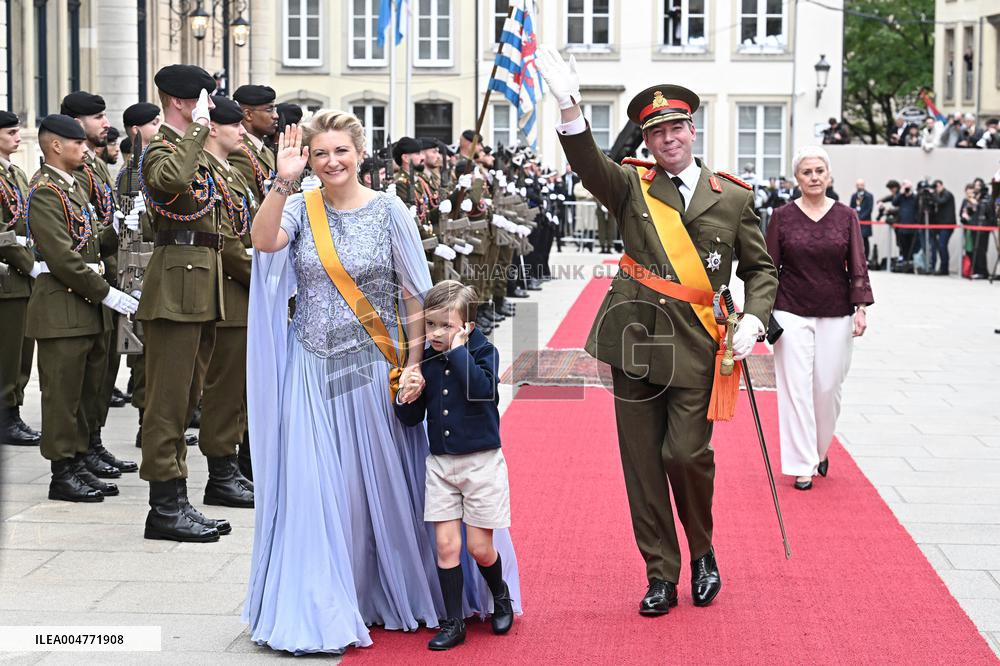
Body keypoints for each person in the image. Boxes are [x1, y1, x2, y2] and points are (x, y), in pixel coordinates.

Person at [243, 110, 520, 654]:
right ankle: (323, 601)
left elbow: (416, 296)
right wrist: (282, 180)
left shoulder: (390, 209)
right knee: (315, 486)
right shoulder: (299, 205)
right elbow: (264, 241)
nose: (331, 162)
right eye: (320, 153)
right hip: (310, 366)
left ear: (360, 152)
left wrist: (414, 365)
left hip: (373, 366)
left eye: (340, 151)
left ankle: (386, 590)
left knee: (373, 488)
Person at [536, 46, 778, 615]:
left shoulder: (732, 196)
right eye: (656, 132)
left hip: (698, 342)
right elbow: (588, 165)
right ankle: (661, 572)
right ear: (646, 141)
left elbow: (761, 269)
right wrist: (569, 108)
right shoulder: (630, 185)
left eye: (675, 128)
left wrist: (755, 317)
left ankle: (702, 551)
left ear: (692, 130)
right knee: (643, 464)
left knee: (686, 455)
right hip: (637, 339)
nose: (667, 139)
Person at [393, 280, 516, 651]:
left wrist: (459, 351)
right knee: (446, 546)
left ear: (467, 327)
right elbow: (412, 418)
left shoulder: (483, 351)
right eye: (430, 324)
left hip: (481, 464)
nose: (435, 333)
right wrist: (405, 395)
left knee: (479, 548)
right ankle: (453, 622)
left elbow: (483, 391)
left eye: (445, 326)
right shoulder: (427, 360)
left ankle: (500, 594)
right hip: (441, 466)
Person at [137, 64, 230, 543]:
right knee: (167, 403)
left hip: (200, 285)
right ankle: (164, 508)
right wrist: (198, 129)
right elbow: (172, 181)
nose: (210, 109)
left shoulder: (193, 151)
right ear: (180, 101)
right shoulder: (160, 149)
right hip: (175, 288)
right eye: (205, 100)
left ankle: (178, 500)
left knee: (188, 397)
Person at [25, 115, 139, 501]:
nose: (85, 149)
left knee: (87, 391)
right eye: (78, 143)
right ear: (56, 145)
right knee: (63, 396)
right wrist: (106, 293)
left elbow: (87, 244)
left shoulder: (72, 188)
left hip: (85, 305)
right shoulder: (45, 191)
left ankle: (77, 460)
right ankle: (62, 472)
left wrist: (116, 229)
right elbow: (62, 258)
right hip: (62, 307)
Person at [765, 146, 873, 490]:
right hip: (789, 308)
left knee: (828, 387)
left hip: (836, 310)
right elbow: (768, 266)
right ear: (797, 178)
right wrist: (760, 310)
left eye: (819, 171)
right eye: (806, 172)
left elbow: (858, 263)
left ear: (829, 176)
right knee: (795, 389)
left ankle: (819, 449)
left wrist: (861, 307)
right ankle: (801, 464)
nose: (813, 177)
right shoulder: (782, 216)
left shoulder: (846, 216)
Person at [61, 91, 137, 476]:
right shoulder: (72, 169)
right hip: (91, 276)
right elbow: (80, 230)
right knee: (86, 378)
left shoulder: (93, 163)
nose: (106, 124)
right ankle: (81, 448)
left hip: (107, 268)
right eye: (98, 117)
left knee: (104, 371)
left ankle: (93, 440)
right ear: (77, 123)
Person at [195, 96, 256, 509]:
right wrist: (265, 279)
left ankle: (232, 469)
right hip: (227, 293)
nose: (243, 132)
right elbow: (226, 243)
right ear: (213, 128)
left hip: (242, 295)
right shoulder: (204, 173)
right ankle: (220, 474)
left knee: (240, 391)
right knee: (224, 390)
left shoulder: (229, 173)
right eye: (235, 125)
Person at [0, 111, 42, 446]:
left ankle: (13, 411)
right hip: (7, 278)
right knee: (8, 353)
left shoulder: (15, 173)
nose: (18, 137)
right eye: (11, 132)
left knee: (22, 353)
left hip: (23, 276)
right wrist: (30, 264)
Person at [960, 183, 993, 279]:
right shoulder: (972, 199)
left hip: (983, 228)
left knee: (981, 250)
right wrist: (970, 206)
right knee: (974, 249)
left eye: (978, 186)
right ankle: (975, 270)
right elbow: (970, 213)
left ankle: (982, 271)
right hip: (973, 226)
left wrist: (976, 204)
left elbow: (988, 213)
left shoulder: (987, 199)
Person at [931, 180, 956, 275]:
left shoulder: (947, 194)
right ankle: (942, 268)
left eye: (937, 186)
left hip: (947, 224)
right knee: (940, 246)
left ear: (942, 185)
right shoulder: (937, 195)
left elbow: (941, 201)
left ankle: (944, 268)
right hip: (940, 225)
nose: (936, 189)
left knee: (942, 245)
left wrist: (933, 194)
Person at [849, 179, 874, 261]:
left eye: (861, 185)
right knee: (855, 239)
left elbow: (869, 209)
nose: (860, 187)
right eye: (858, 185)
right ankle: (856, 258)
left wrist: (860, 217)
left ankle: (866, 259)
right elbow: (851, 207)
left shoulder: (869, 196)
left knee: (865, 239)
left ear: (864, 185)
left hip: (865, 221)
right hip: (855, 221)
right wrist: (854, 217)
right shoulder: (854, 196)